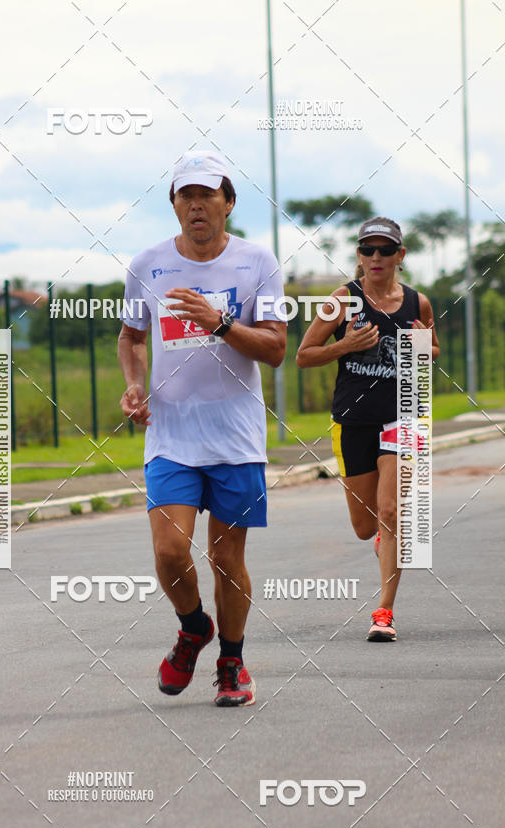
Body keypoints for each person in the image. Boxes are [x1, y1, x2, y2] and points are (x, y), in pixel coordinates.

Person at [118, 150, 286, 704]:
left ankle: (233, 664)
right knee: (169, 552)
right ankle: (194, 627)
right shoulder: (146, 266)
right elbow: (131, 337)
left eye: (207, 194)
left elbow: (276, 349)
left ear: (228, 203)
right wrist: (135, 385)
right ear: (173, 205)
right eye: (185, 195)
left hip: (235, 438)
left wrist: (219, 321)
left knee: (226, 559)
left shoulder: (257, 262)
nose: (195, 204)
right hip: (171, 437)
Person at [296, 217, 439, 640]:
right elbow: (304, 355)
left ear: (400, 255)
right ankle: (383, 541)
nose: (376, 258)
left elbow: (433, 350)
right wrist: (346, 346)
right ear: (359, 256)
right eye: (367, 250)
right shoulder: (342, 300)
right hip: (354, 421)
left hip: (405, 415)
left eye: (385, 250)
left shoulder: (418, 303)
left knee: (392, 512)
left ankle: (383, 612)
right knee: (366, 525)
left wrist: (424, 346)